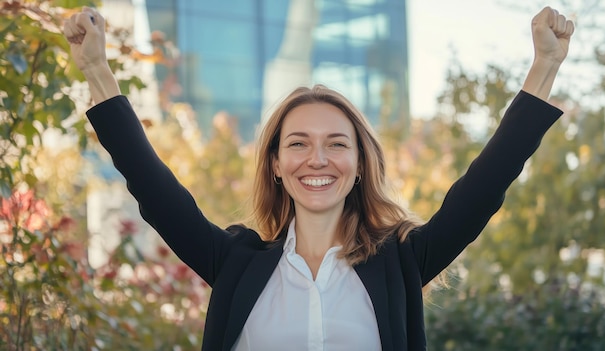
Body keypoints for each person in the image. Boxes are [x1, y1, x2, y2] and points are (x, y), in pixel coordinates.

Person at [64, 6, 575, 351]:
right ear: (276, 165)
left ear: (357, 166)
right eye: (298, 143)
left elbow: (483, 188)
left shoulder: (400, 262)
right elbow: (154, 188)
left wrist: (544, 66)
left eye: (336, 143)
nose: (317, 159)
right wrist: (97, 71)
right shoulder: (235, 262)